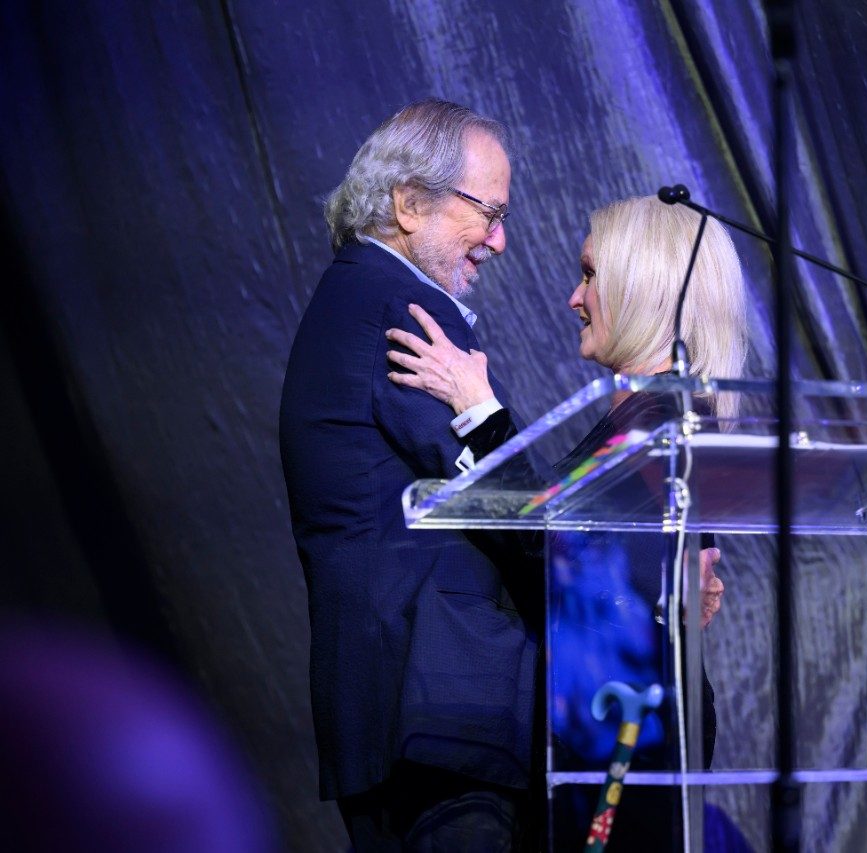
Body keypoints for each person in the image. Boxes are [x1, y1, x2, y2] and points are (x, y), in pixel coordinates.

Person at [385, 194, 749, 849]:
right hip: (618, 719)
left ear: (643, 288)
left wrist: (479, 408)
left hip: (627, 729)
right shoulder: (660, 416)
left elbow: (552, 538)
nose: (573, 298)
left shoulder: (662, 422)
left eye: (589, 275)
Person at [279, 99, 540, 852]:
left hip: (385, 703)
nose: (499, 240)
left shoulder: (351, 296)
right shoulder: (407, 308)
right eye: (488, 212)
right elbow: (518, 513)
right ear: (409, 203)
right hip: (439, 709)